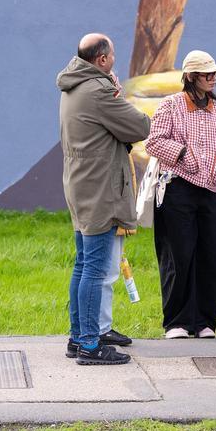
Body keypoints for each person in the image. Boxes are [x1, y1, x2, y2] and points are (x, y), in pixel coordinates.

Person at [58, 33, 151, 365]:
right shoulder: (98, 91)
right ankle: (88, 344)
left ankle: (78, 337)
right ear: (102, 60)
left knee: (83, 265)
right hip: (100, 189)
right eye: (112, 55)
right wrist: (118, 94)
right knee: (95, 269)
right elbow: (140, 126)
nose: (115, 59)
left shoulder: (74, 85)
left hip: (82, 185)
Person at [144, 50, 216, 339]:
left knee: (212, 257)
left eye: (215, 73)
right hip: (177, 188)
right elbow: (154, 142)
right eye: (207, 74)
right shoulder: (170, 105)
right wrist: (184, 154)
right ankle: (177, 322)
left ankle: (205, 321)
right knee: (178, 255)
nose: (213, 78)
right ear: (191, 77)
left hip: (211, 191)